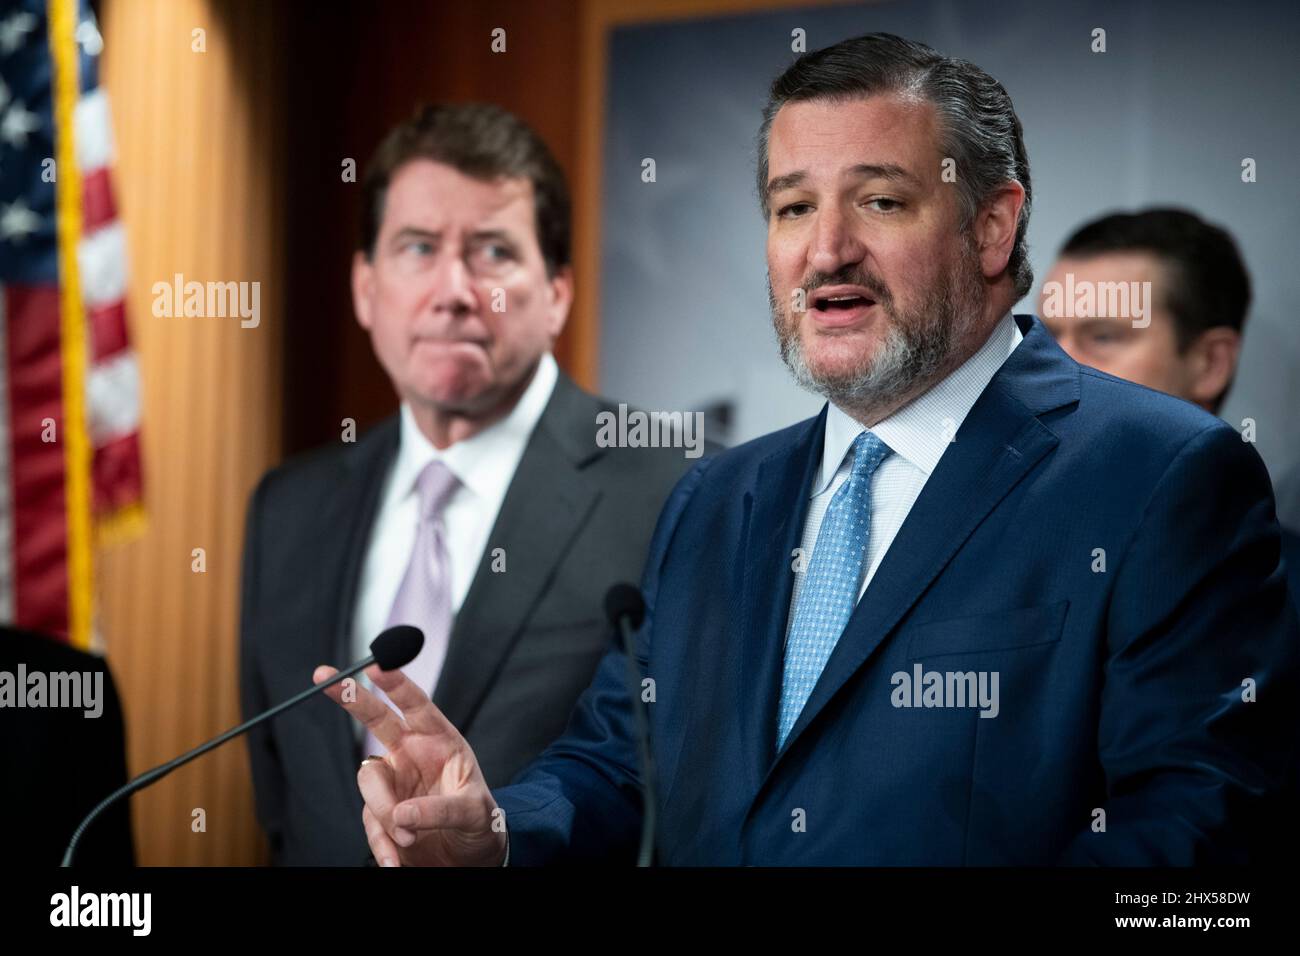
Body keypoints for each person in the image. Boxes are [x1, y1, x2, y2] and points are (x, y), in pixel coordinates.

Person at [318, 34, 1299, 866]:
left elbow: (1195, 845)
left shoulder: (1160, 474)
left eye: (877, 201)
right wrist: (492, 826)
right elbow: (620, 766)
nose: (824, 248)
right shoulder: (716, 496)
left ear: (992, 224)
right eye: (791, 207)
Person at [240, 104, 697, 865]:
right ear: (364, 286)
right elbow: (282, 808)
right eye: (417, 248)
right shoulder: (287, 509)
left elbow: (674, 797)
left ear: (557, 291)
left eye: (491, 251)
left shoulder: (678, 492)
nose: (454, 290)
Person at [1040, 210, 1300, 606]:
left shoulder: (1278, 596)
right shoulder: (983, 552)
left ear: (1210, 364)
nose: (1056, 365)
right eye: (1048, 337)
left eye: (1104, 336)